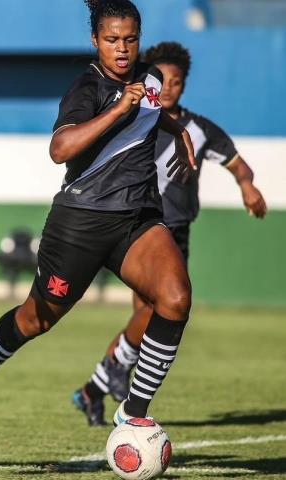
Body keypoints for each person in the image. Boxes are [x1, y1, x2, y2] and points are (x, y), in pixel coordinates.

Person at [0, 0, 198, 436]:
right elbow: (59, 149)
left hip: (137, 218)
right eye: (111, 40)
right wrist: (117, 111)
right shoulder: (86, 88)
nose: (121, 48)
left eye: (130, 39)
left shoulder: (150, 77)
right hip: (81, 222)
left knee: (175, 298)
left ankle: (132, 414)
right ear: (95, 41)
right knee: (35, 319)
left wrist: (179, 130)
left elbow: (152, 110)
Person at [71, 41, 268, 426]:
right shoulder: (134, 117)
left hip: (176, 231)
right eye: (162, 80)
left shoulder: (200, 129)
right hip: (139, 225)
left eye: (175, 81)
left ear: (184, 85)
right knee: (150, 310)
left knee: (157, 313)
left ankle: (94, 388)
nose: (168, 87)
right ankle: (112, 374)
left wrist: (247, 185)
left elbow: (238, 165)